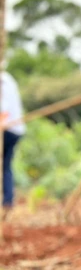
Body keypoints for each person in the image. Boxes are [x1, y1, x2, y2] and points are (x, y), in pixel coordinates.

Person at [1, 71, 25, 211]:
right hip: (14, 129)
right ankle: (7, 202)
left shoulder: (3, 82)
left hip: (9, 129)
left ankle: (7, 202)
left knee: (5, 166)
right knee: (5, 166)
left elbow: (4, 112)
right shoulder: (8, 78)